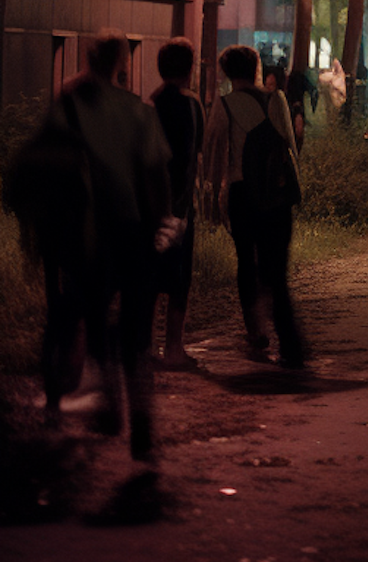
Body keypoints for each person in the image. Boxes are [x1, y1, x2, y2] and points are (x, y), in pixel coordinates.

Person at [9, 31, 171, 461]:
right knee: (136, 327)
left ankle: (111, 405)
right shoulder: (139, 111)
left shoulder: (67, 109)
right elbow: (156, 177)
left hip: (84, 232)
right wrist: (162, 228)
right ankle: (140, 420)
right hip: (132, 228)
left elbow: (37, 164)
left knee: (95, 317)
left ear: (86, 57)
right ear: (121, 60)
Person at [203, 44, 304, 368]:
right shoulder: (277, 99)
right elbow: (289, 145)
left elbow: (215, 152)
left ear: (226, 73)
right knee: (277, 271)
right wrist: (293, 188)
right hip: (276, 194)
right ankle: (290, 342)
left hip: (242, 194)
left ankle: (256, 331)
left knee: (246, 261)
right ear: (256, 67)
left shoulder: (224, 105)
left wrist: (211, 197)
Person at [149, 37, 204, 369]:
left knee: (151, 277)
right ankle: (173, 347)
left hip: (150, 205)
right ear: (189, 69)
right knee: (180, 279)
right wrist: (182, 207)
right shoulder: (192, 104)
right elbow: (190, 157)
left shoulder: (150, 102)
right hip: (180, 204)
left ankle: (145, 346)